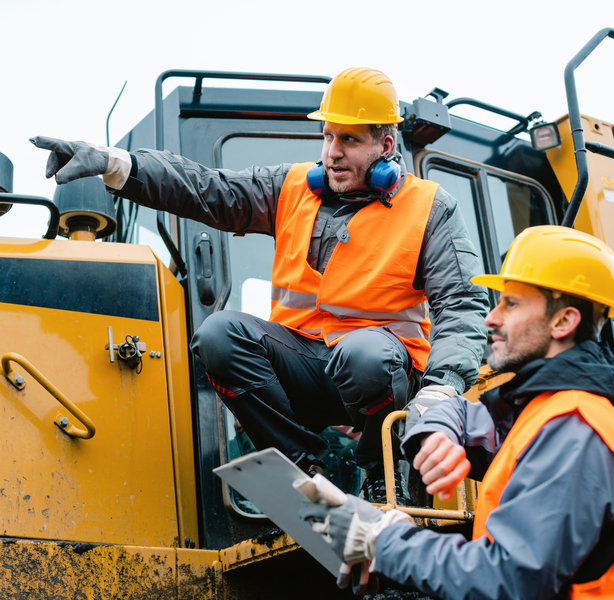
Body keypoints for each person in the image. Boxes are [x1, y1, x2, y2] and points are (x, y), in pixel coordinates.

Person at [30, 67, 489, 499]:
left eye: (349, 139)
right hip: (306, 370)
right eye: (328, 136)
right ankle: (305, 473)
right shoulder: (291, 189)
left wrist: (443, 386)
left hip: (382, 375)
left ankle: (382, 478)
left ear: (386, 145)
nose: (332, 152)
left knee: (364, 355)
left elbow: (463, 304)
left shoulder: (429, 207)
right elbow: (205, 189)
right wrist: (117, 163)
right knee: (219, 335)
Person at [299, 225, 614, 599]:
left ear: (564, 321)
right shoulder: (544, 411)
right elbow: (460, 413)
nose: (490, 318)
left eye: (511, 304)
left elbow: (509, 581)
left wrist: (387, 541)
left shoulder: (575, 430)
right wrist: (438, 433)